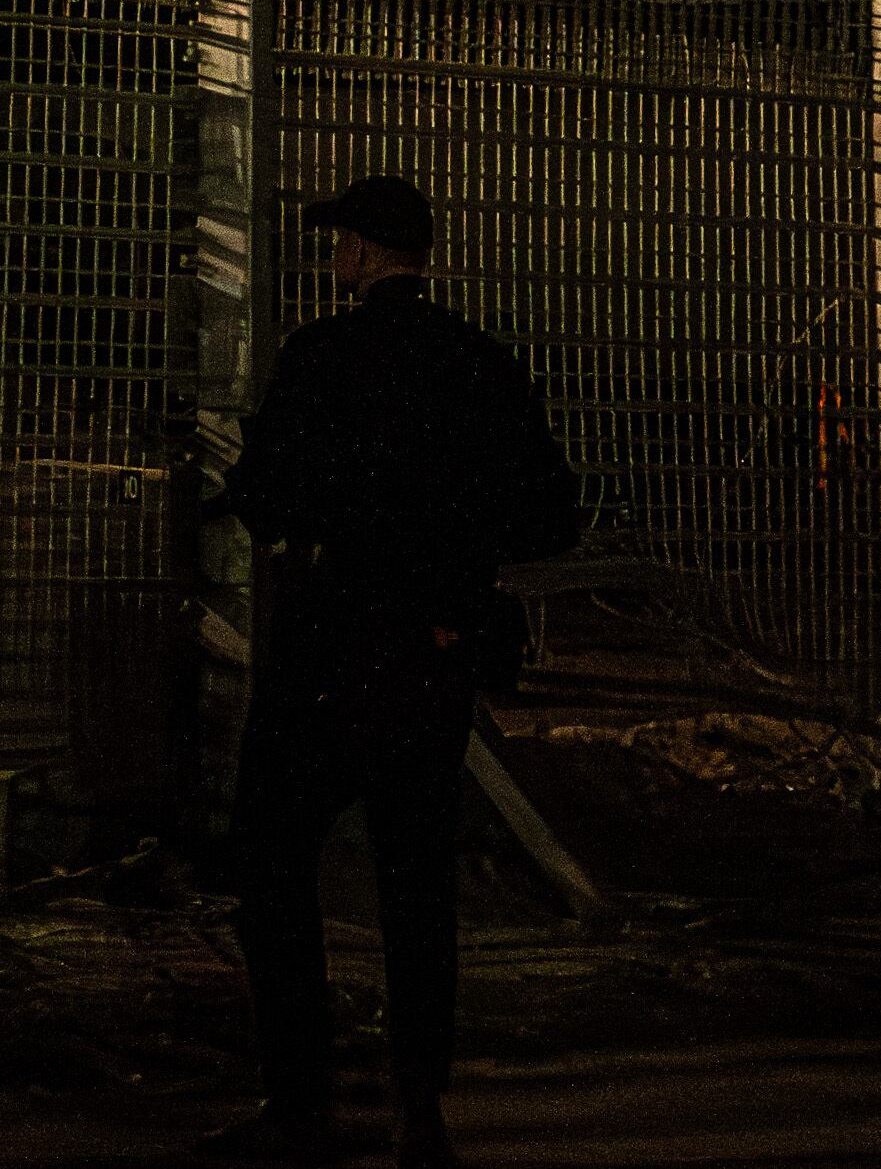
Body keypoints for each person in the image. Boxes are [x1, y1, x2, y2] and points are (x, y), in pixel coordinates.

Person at [198, 175, 581, 1167]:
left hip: (328, 651)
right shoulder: (478, 363)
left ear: (363, 253)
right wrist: (455, 582)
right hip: (428, 657)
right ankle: (419, 1108)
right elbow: (549, 512)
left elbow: (268, 494)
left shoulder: (319, 358)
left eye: (340, 244)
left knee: (270, 860)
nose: (335, 258)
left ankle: (299, 1100)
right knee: (416, 886)